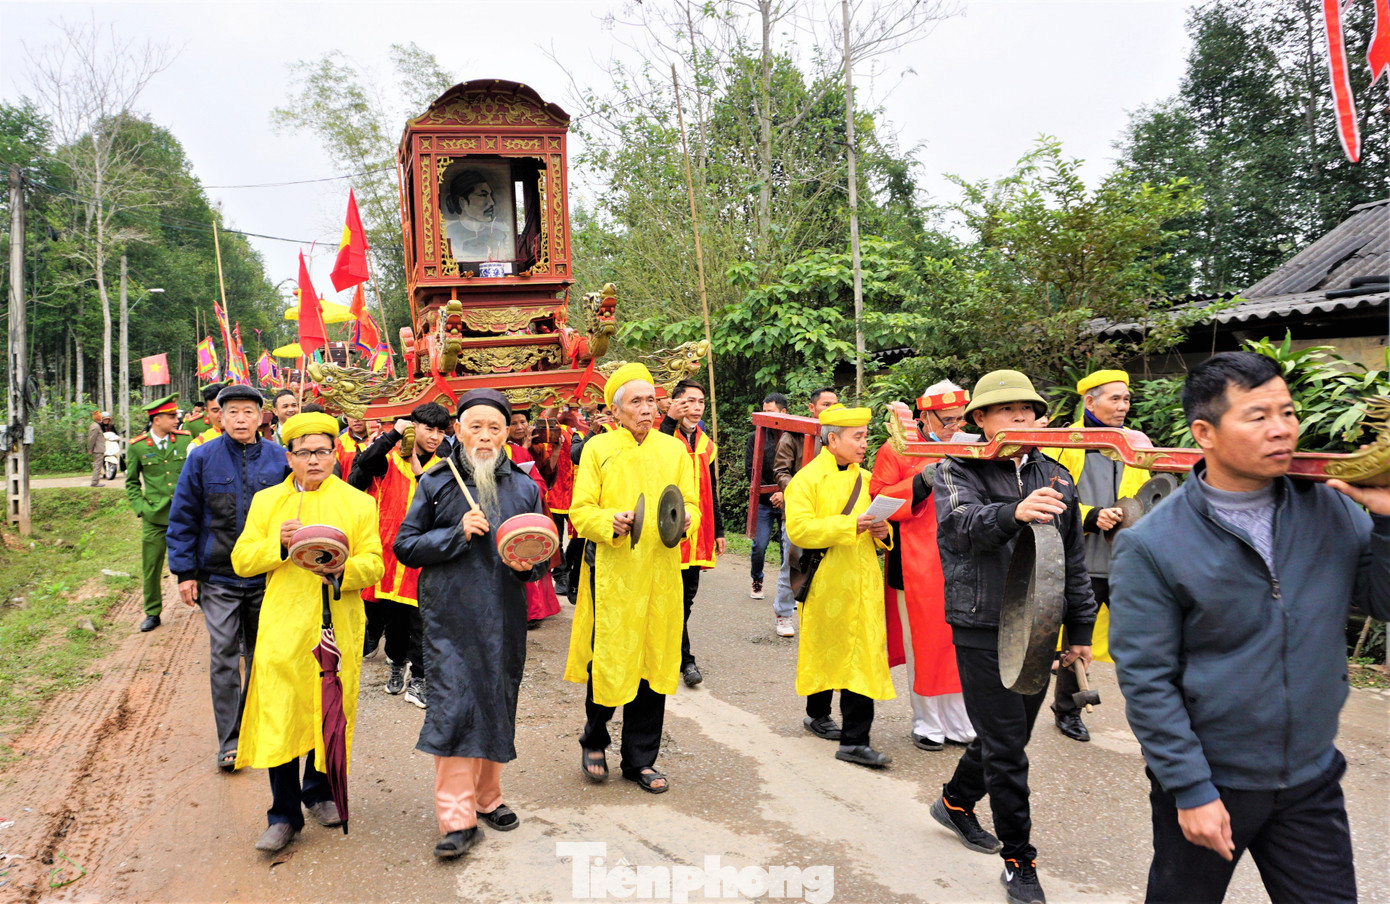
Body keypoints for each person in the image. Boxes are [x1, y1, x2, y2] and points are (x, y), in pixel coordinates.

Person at [1109, 351, 1390, 904]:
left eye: (1287, 411)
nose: (1282, 428)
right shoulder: (1154, 544)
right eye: (1258, 416)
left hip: (1310, 776)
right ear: (1204, 433)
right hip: (1212, 780)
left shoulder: (1331, 509)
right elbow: (1146, 679)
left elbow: (1382, 602)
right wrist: (1190, 789)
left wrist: (1385, 519)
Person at [930, 369, 1095, 904]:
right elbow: (960, 525)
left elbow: (1072, 561)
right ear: (980, 419)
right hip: (981, 623)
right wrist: (1013, 512)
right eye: (1007, 410)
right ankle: (1019, 861)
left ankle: (955, 801)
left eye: (1028, 408)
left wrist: (1081, 629)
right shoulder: (956, 468)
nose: (1022, 417)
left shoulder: (1057, 475)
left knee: (1010, 737)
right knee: (1008, 748)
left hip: (1040, 626)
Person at [394, 390, 550, 859]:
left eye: (495, 428)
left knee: (498, 700)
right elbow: (405, 546)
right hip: (449, 617)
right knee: (456, 707)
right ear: (457, 430)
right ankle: (457, 817)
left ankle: (489, 797)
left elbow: (541, 554)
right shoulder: (436, 482)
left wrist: (529, 566)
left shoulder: (526, 487)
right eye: (475, 426)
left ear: (507, 434)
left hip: (504, 614)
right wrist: (454, 534)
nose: (485, 435)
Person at [231, 412, 383, 854]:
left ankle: (320, 792)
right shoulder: (267, 503)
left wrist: (341, 568)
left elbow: (374, 562)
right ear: (288, 456)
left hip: (336, 622)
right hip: (282, 623)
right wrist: (276, 544)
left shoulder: (358, 503)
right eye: (303, 453)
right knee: (280, 713)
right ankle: (283, 814)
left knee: (328, 709)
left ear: (335, 455)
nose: (314, 460)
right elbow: (242, 560)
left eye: (322, 451)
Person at [564, 363, 697, 794]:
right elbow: (580, 512)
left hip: (660, 570)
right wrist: (610, 520)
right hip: (614, 572)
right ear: (616, 410)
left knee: (653, 660)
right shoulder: (599, 450)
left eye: (650, 401)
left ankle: (640, 759)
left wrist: (688, 518)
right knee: (610, 657)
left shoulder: (674, 451)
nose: (646, 409)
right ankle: (595, 739)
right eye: (635, 402)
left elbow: (689, 502)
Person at [167, 384, 289, 772]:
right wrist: (185, 572)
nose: (240, 418)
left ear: (261, 417)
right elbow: (183, 517)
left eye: (248, 412)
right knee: (222, 655)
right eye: (231, 412)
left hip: (266, 575)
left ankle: (255, 729)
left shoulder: (279, 458)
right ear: (219, 416)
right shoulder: (201, 459)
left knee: (261, 657)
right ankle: (230, 739)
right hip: (217, 577)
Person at [784, 403, 895, 767]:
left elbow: (878, 531)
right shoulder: (806, 480)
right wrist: (851, 526)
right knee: (827, 649)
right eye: (857, 437)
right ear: (833, 440)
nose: (864, 444)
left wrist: (882, 531)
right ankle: (830, 722)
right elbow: (799, 529)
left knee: (857, 655)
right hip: (827, 582)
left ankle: (848, 735)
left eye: (865, 436)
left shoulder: (866, 479)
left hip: (863, 579)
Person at [1043, 369, 1148, 743]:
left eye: (1126, 399)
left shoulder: (1135, 443)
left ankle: (1153, 715)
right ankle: (1067, 710)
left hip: (1126, 562)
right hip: (1080, 562)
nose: (1123, 406)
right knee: (1077, 643)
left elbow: (1151, 494)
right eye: (1114, 399)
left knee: (1144, 641)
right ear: (1090, 402)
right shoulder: (1064, 444)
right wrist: (1090, 514)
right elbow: (1048, 499)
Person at [870, 381, 975, 752]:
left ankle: (960, 719)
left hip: (962, 556)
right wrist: (922, 479)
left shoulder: (971, 445)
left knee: (961, 642)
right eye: (947, 420)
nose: (955, 426)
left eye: (961, 418)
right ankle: (927, 721)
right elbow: (878, 499)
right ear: (925, 415)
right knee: (923, 644)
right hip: (914, 561)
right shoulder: (897, 448)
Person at [348, 402, 451, 709]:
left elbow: (446, 507)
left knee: (423, 620)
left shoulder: (444, 465)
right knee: (393, 620)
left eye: (440, 431)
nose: (434, 436)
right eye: (427, 428)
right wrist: (392, 434)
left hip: (424, 553)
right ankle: (396, 663)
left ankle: (419, 678)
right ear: (412, 427)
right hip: (389, 555)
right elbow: (363, 467)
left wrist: (423, 477)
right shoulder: (387, 459)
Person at [659, 379, 725, 687]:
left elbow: (712, 489)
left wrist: (719, 531)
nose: (696, 407)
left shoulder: (706, 444)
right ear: (675, 404)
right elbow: (652, 457)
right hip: (667, 530)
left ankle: (673, 649)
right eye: (688, 401)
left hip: (698, 532)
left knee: (686, 599)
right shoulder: (661, 434)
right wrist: (669, 419)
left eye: (700, 402)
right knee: (671, 597)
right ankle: (686, 660)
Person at [770, 388, 839, 636]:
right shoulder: (794, 434)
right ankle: (784, 614)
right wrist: (800, 492)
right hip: (800, 511)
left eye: (835, 404)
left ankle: (820, 616)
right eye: (825, 404)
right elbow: (780, 471)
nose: (830, 409)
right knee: (794, 564)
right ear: (812, 408)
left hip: (830, 512)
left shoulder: (838, 437)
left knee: (829, 565)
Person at [124, 394, 193, 633]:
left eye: (176, 415)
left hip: (185, 515)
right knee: (151, 566)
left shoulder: (185, 441)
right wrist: (141, 508)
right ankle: (152, 612)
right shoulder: (138, 446)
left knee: (199, 558)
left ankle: (205, 598)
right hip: (155, 517)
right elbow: (131, 482)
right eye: (172, 416)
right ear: (156, 419)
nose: (177, 420)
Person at [745, 392, 787, 602]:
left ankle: (785, 588)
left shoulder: (793, 435)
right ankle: (757, 580)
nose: (765, 416)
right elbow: (750, 470)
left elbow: (799, 470)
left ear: (783, 413)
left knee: (786, 546)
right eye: (763, 411)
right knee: (759, 545)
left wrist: (784, 492)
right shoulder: (755, 437)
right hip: (763, 501)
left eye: (770, 412)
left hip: (788, 500)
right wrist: (768, 492)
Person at [537, 406, 576, 597]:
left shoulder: (576, 430)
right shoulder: (549, 424)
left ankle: (569, 571)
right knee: (557, 537)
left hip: (575, 492)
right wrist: (557, 402)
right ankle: (560, 575)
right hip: (554, 492)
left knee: (578, 538)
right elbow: (548, 417)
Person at [444, 170, 508, 261]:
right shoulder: (448, 233)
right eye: (483, 195)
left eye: (490, 195)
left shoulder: (499, 235)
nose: (492, 202)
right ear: (463, 202)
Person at [334, 414, 372, 478]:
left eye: (360, 415)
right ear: (346, 418)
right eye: (351, 415)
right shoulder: (338, 443)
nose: (356, 420)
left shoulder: (379, 439)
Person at [189, 384, 225, 450]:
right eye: (215, 411)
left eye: (224, 409)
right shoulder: (199, 445)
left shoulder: (246, 438)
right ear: (207, 412)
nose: (221, 415)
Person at [87, 410, 106, 486]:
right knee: (97, 465)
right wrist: (90, 448)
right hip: (98, 449)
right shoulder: (95, 426)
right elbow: (92, 439)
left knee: (98, 465)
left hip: (99, 449)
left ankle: (96, 481)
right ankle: (94, 482)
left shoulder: (96, 426)